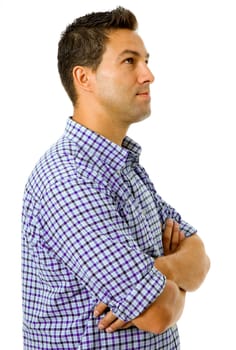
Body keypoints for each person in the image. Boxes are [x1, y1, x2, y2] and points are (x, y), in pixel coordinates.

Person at [21, 6, 210, 350]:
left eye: (146, 60)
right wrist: (166, 285)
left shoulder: (124, 167)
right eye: (129, 61)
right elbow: (158, 314)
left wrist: (155, 271)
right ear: (84, 78)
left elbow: (199, 257)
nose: (148, 75)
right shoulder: (69, 180)